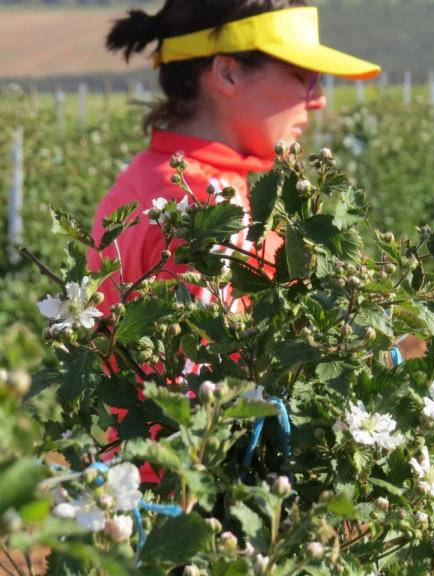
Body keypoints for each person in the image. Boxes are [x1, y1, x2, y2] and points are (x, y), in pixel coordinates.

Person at [86, 0, 396, 483]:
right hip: (203, 501)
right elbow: (216, 400)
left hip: (140, 489)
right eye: (303, 76)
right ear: (227, 73)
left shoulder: (147, 180)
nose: (318, 99)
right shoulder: (205, 209)